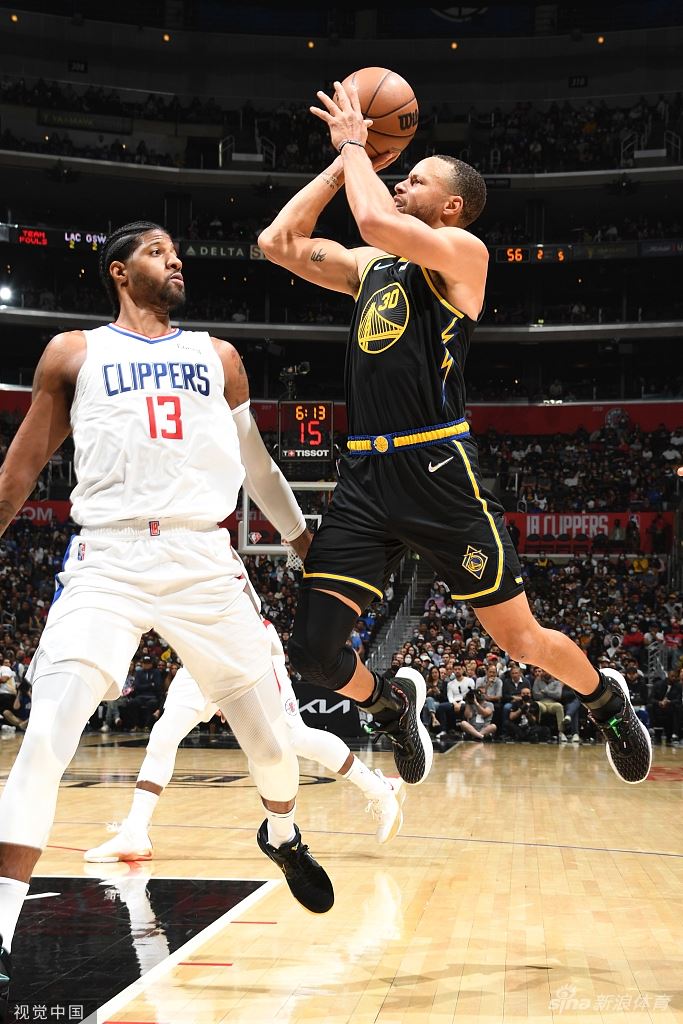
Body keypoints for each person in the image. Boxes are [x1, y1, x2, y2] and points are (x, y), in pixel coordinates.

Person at [258, 79, 651, 791]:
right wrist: (344, 162)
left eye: (415, 179)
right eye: (400, 176)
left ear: (450, 207)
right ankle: (389, 706)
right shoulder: (372, 268)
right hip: (365, 481)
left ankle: (605, 701)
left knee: (520, 640)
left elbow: (374, 221)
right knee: (312, 654)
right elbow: (276, 243)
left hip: (437, 470)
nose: (399, 183)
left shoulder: (462, 253)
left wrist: (357, 146)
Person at [0, 221, 334, 1017]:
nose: (175, 259)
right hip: (108, 557)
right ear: (118, 271)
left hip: (203, 560)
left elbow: (257, 466)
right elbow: (22, 467)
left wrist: (304, 547)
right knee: (47, 735)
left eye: (177, 251)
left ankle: (281, 836)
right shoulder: (73, 353)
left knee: (274, 750)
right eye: (156, 251)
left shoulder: (219, 357)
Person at [84, 614, 405, 862]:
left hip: (248, 649)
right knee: (162, 736)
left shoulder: (207, 557)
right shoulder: (151, 561)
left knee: (295, 738)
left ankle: (379, 791)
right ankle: (136, 830)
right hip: (199, 657)